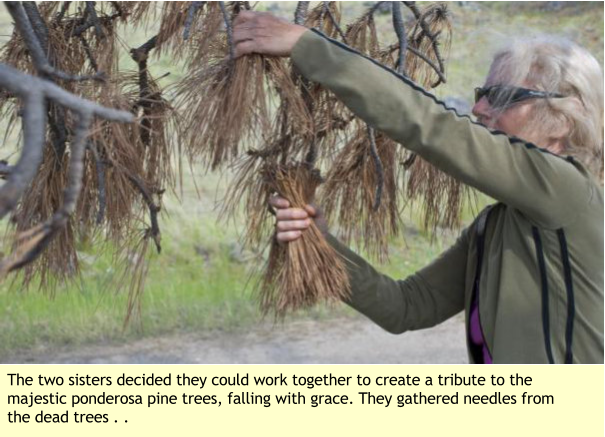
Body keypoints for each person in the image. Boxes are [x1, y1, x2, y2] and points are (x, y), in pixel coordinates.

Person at [232, 11, 604, 364]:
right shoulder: (494, 227)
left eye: (504, 97)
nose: (479, 109)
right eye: (481, 93)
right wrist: (321, 240)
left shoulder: (568, 190)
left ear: (562, 121)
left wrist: (309, 46)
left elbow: (433, 128)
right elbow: (408, 306)